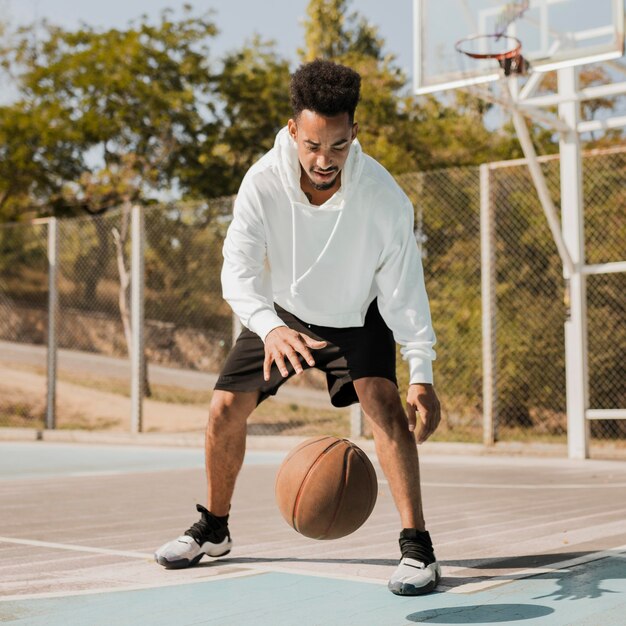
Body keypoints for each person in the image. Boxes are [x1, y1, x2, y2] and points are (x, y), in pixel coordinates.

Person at [155, 59, 442, 596]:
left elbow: (404, 289)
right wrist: (268, 326)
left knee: (384, 406)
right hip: (283, 314)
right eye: (312, 144)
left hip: (358, 314)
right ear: (293, 131)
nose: (324, 159)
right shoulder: (262, 183)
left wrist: (421, 369)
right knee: (222, 409)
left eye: (337, 145)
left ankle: (417, 546)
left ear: (353, 132)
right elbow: (236, 273)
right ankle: (214, 528)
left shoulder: (384, 198)